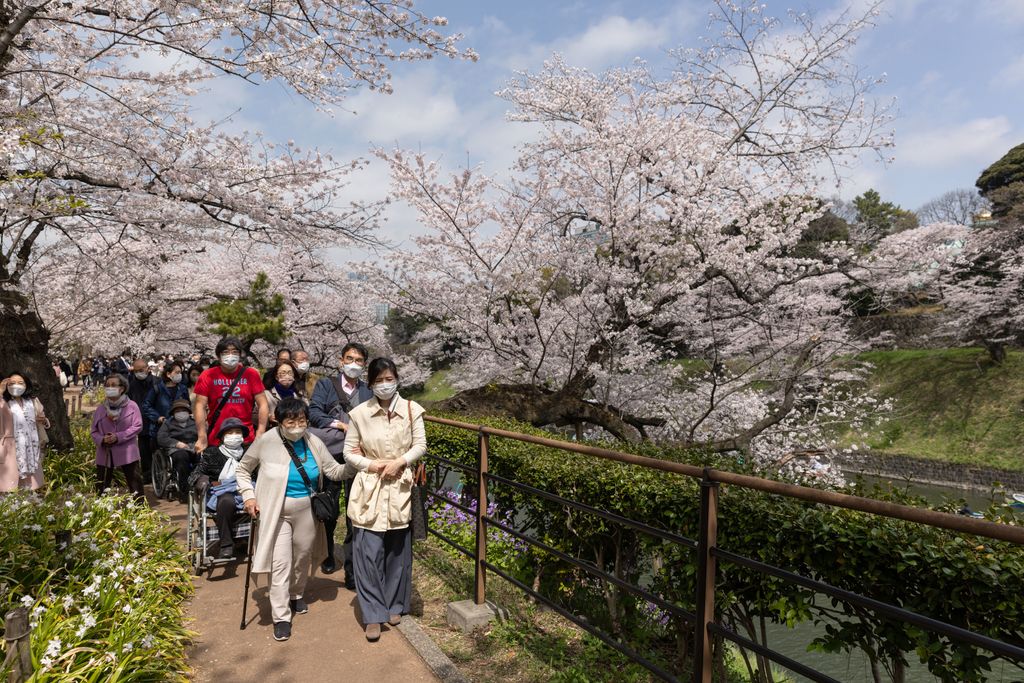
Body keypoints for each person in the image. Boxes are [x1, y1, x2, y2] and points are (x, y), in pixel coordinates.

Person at [236, 398, 352, 642]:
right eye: (291, 420)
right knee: (281, 563)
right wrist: (248, 496)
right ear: (279, 420)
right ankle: (281, 616)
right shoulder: (266, 441)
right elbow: (243, 469)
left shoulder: (313, 441)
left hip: (307, 511)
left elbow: (332, 470)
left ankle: (296, 593)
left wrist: (354, 464)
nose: (297, 425)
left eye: (302, 420)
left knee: (302, 557)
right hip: (275, 511)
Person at [343, 357, 426, 642]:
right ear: (371, 384)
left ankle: (393, 605)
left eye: (388, 379)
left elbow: (420, 445)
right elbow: (349, 452)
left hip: (400, 484)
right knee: (368, 553)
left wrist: (400, 461)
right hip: (370, 487)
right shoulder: (359, 414)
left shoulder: (412, 410)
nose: (384, 385)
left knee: (396, 553)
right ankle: (373, 614)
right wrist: (372, 465)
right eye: (378, 381)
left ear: (397, 379)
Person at [309, 342, 372, 582]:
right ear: (340, 360)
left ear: (364, 365)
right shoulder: (326, 385)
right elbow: (314, 413)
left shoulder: (367, 391)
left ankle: (352, 570)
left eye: (358, 360)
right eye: (349, 358)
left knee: (354, 511)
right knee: (329, 506)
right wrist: (341, 425)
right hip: (331, 453)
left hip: (358, 455)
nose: (353, 364)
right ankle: (326, 553)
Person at [193, 337, 268, 453]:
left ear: (240, 355)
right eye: (225, 352)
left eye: (234, 352)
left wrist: (261, 431)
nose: (230, 355)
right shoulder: (208, 375)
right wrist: (202, 436)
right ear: (218, 356)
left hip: (246, 436)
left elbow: (263, 403)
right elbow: (199, 406)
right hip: (217, 436)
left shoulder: (251, 374)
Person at [189, 417, 250, 558]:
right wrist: (203, 481)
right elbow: (194, 475)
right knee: (226, 501)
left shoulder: (250, 452)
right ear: (222, 437)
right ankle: (226, 545)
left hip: (247, 490)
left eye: (237, 432)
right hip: (221, 492)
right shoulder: (212, 453)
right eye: (230, 433)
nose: (234, 436)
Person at [91, 373, 145, 501]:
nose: (110, 388)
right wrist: (102, 439)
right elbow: (94, 431)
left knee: (134, 483)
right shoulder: (100, 408)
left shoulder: (132, 406)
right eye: (107, 385)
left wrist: (118, 436)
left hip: (127, 450)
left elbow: (137, 426)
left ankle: (139, 508)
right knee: (102, 484)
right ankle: (100, 510)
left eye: (113, 385)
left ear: (122, 388)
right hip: (105, 451)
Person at [0, 373, 49, 492]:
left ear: (26, 385)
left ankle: (25, 506)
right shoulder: (4, 402)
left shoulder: (33, 402)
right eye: (12, 383)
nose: (16, 386)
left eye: (20, 383)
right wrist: (0, 392)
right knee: (10, 484)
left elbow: (42, 419)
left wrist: (44, 421)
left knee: (30, 486)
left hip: (30, 447)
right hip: (10, 446)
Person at [157, 398, 198, 502]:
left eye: (183, 410)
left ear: (188, 412)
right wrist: (177, 443)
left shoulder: (195, 422)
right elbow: (161, 438)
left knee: (202, 457)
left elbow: (203, 434)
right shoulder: (167, 423)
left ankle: (199, 486)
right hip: (176, 449)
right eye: (177, 411)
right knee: (182, 457)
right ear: (173, 413)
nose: (181, 413)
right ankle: (184, 490)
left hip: (193, 447)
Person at [128, 358, 160, 477]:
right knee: (144, 451)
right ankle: (147, 475)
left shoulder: (157, 382)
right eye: (136, 371)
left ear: (147, 368)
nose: (138, 373)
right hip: (140, 422)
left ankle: (158, 475)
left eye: (141, 370)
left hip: (156, 421)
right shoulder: (132, 384)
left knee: (157, 449)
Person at [143, 361, 189, 440]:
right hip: (159, 429)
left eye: (180, 372)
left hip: (179, 429)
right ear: (168, 374)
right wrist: (157, 417)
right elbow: (146, 406)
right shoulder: (157, 388)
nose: (179, 375)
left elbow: (188, 404)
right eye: (177, 372)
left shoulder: (183, 388)